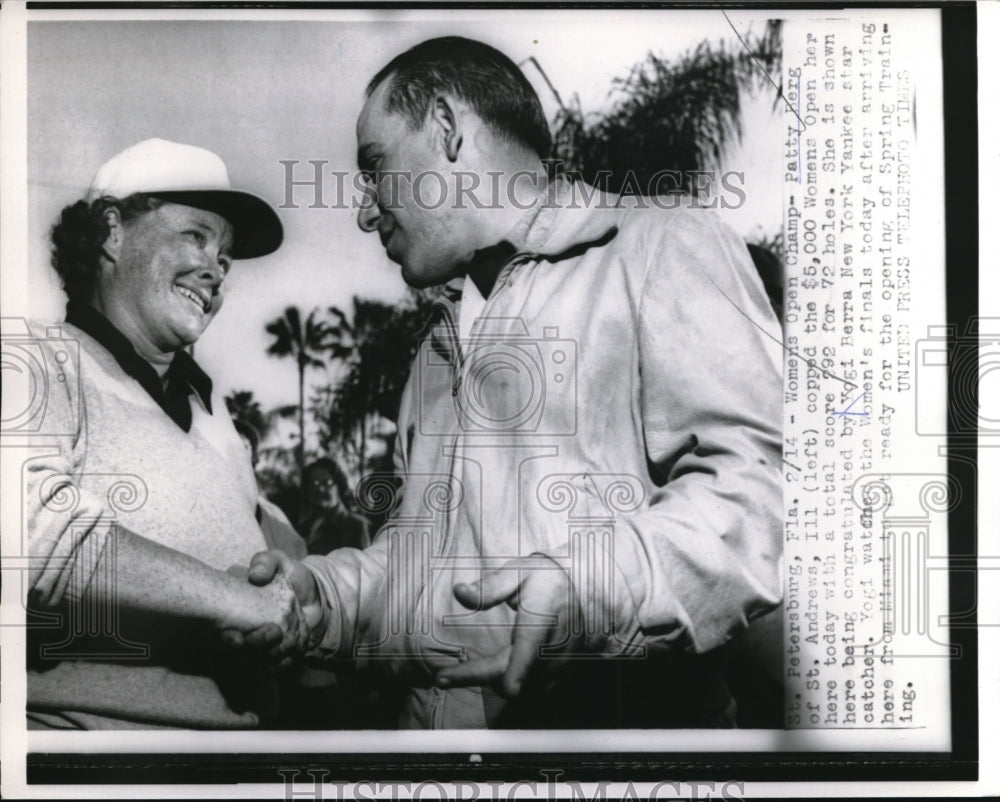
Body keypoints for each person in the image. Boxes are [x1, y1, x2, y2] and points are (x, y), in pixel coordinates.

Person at [240, 37, 783, 729]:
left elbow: (765, 491)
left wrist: (590, 591)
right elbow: (421, 572)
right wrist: (318, 597)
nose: (364, 209)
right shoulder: (433, 354)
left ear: (446, 127)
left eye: (374, 166)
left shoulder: (660, 245)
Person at [24, 138, 307, 729]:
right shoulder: (39, 363)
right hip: (91, 768)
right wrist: (231, 599)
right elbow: (29, 536)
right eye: (195, 236)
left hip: (241, 764)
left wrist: (290, 602)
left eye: (226, 256)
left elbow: (282, 567)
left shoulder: (218, 419)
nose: (215, 270)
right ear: (111, 232)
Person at [233, 419, 308, 561]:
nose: (233, 455)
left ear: (254, 458)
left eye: (242, 447)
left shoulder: (272, 515)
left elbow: (297, 560)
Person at [297, 458, 371, 555]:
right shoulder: (305, 526)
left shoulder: (355, 526)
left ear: (339, 486)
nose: (320, 489)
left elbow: (362, 567)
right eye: (314, 483)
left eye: (327, 483)